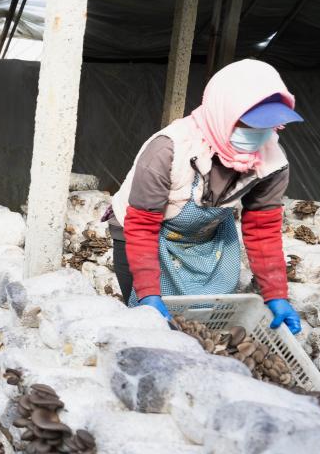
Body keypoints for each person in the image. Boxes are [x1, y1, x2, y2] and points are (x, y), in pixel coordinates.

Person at [106, 59, 304, 334]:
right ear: (225, 113)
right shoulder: (169, 150)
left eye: (269, 126)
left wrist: (276, 294)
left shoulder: (271, 160)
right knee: (150, 326)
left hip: (205, 237)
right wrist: (149, 293)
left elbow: (263, 231)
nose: (261, 135)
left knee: (203, 328)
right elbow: (142, 226)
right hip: (141, 233)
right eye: (250, 125)